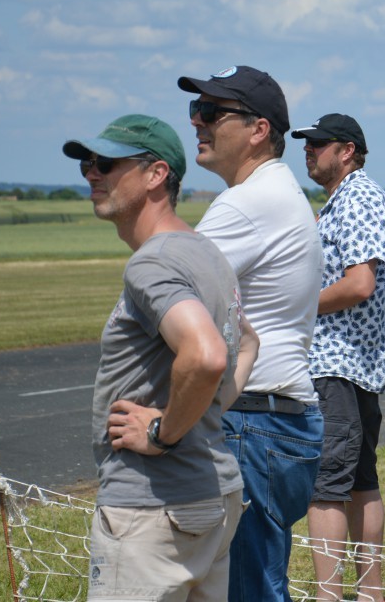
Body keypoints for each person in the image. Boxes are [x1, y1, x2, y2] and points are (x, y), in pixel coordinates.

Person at [64, 114, 255, 600]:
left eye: (106, 163)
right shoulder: (207, 254)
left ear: (156, 174)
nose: (91, 173)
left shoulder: (152, 261)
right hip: (213, 496)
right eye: (88, 162)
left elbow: (209, 355)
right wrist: (207, 410)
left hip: (152, 507)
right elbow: (248, 342)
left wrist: (161, 432)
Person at [178, 65, 325, 602]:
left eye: (213, 113)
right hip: (278, 421)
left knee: (243, 591)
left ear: (259, 129)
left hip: (252, 424)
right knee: (256, 584)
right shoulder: (279, 192)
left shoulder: (247, 203)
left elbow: (165, 288)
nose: (198, 122)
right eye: (197, 110)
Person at [294, 113, 385, 602]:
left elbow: (360, 283)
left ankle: (329, 595)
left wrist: (294, 306)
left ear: (347, 150)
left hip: (337, 359)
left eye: (318, 144)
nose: (308, 151)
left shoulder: (357, 197)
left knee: (327, 483)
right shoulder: (349, 199)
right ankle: (370, 593)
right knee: (361, 478)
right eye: (306, 143)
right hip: (356, 362)